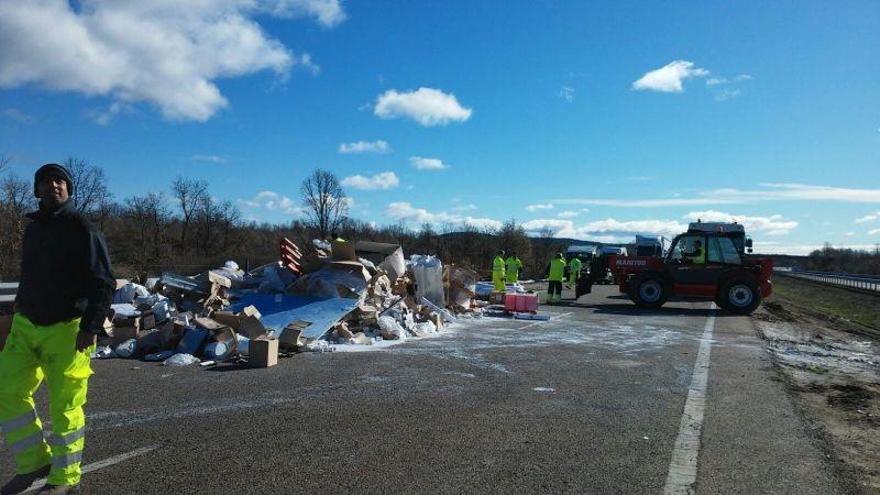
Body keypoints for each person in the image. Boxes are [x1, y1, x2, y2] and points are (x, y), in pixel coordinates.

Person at [0, 163, 115, 495]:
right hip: (26, 324)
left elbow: (104, 282)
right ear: (37, 190)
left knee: (66, 407)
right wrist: (18, 307)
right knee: (7, 389)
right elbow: (30, 274)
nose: (54, 184)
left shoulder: (83, 228)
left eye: (60, 180)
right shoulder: (34, 229)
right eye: (46, 181)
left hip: (67, 328)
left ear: (68, 189)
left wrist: (91, 326)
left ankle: (66, 479)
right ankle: (34, 461)